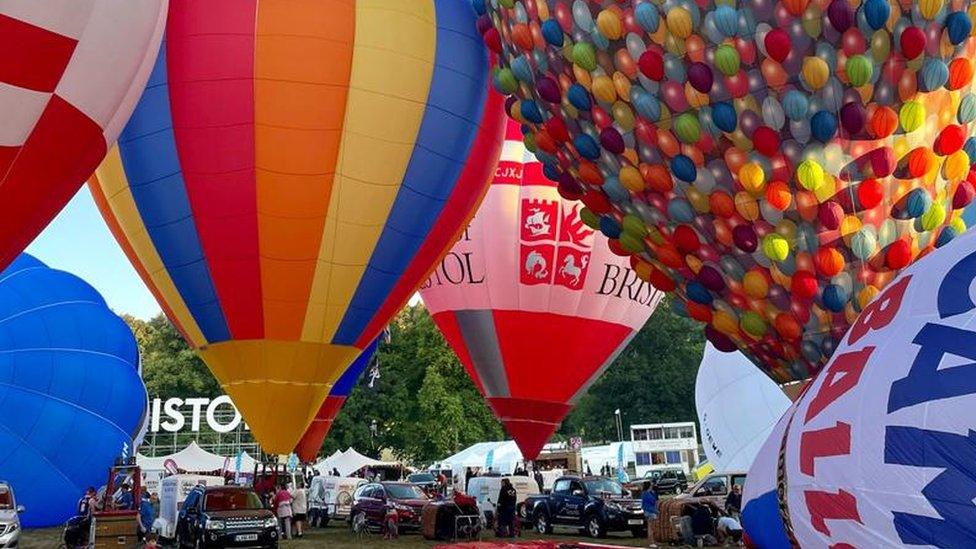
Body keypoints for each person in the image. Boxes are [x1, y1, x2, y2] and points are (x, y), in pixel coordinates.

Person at [641, 482, 658, 548]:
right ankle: (651, 542)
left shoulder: (644, 493)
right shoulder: (648, 494)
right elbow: (653, 502)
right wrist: (656, 511)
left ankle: (651, 541)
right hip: (651, 512)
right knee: (651, 528)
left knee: (650, 527)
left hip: (647, 511)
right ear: (649, 486)